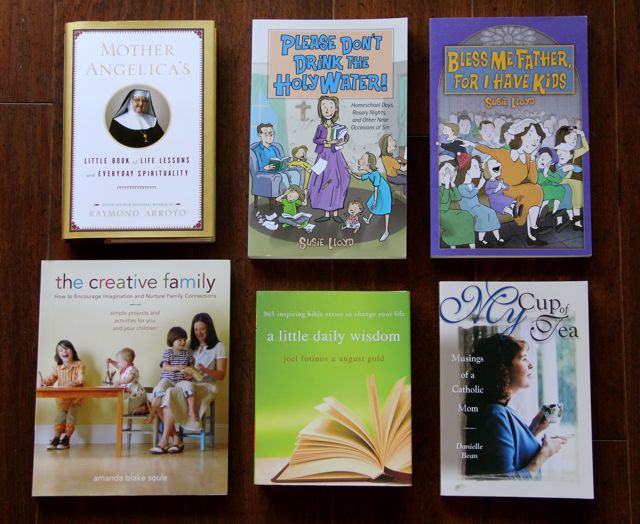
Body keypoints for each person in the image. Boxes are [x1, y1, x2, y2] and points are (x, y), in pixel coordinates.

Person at [464, 334, 566, 479]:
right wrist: (545, 454)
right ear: (502, 368)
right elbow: (505, 484)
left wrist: (534, 428)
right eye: (524, 358)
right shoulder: (496, 415)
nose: (531, 365)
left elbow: (513, 456)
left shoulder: (501, 412)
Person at [151, 313, 227, 454]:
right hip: (185, 384)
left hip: (206, 386)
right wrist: (186, 373)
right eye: (196, 329)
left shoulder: (218, 346)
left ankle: (164, 440)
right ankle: (176, 439)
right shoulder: (188, 345)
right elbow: (180, 365)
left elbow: (221, 375)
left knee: (170, 393)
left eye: (202, 329)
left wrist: (205, 370)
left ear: (209, 329)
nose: (199, 333)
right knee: (161, 394)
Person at [472, 119, 550, 246]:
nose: (534, 142)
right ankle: (531, 229)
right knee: (533, 192)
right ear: (520, 136)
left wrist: (532, 160)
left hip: (519, 189)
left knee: (536, 189)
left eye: (537, 140)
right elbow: (486, 149)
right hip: (504, 189)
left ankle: (532, 231)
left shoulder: (528, 157)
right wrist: (468, 143)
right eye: (531, 136)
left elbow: (533, 180)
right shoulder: (504, 153)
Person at [308, 96, 350, 223]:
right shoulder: (320, 127)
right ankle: (326, 213)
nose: (327, 110)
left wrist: (343, 139)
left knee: (339, 180)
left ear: (336, 108)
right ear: (320, 110)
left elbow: (345, 137)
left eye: (331, 107)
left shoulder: (339, 127)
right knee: (323, 181)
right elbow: (315, 139)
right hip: (323, 156)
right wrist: (326, 141)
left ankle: (335, 212)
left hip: (335, 156)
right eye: (324, 107)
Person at [146, 327, 198, 427]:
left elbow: (191, 366)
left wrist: (192, 372)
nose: (183, 342)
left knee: (189, 386)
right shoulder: (168, 352)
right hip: (168, 379)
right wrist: (177, 367)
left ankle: (191, 410)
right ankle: (152, 414)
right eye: (180, 340)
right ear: (172, 340)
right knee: (159, 390)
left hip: (180, 380)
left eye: (184, 340)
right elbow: (165, 366)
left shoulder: (187, 354)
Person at [38, 340, 85, 450]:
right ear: (58, 354)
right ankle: (56, 438)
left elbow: (81, 379)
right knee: (60, 417)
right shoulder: (57, 367)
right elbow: (50, 379)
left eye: (67, 348)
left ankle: (66, 439)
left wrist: (72, 383)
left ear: (72, 350)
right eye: (61, 350)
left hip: (76, 397)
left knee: (71, 416)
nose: (64, 351)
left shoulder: (79, 365)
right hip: (62, 398)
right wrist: (43, 382)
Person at [455, 154, 503, 246]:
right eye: (475, 167)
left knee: (491, 212)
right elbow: (470, 195)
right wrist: (479, 185)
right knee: (484, 215)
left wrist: (485, 164)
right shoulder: (461, 187)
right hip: (469, 209)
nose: (479, 169)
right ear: (467, 171)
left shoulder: (472, 184)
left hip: (477, 206)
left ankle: (498, 239)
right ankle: (481, 240)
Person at [350, 152, 392, 242]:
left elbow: (376, 188)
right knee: (372, 204)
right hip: (379, 190)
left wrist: (375, 201)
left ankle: (386, 231)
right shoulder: (369, 174)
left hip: (384, 191)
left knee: (385, 210)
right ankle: (368, 220)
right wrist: (351, 173)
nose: (359, 160)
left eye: (362, 159)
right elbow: (360, 178)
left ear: (368, 163)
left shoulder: (376, 174)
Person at [438, 159, 476, 249]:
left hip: (448, 211)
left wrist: (452, 184)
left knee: (466, 215)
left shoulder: (446, 187)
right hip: (440, 213)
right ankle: (453, 243)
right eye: (445, 172)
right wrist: (446, 186)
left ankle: (470, 241)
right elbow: (444, 201)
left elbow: (458, 197)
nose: (447, 175)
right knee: (455, 220)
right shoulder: (438, 188)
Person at [254, 123, 302, 189]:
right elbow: (257, 168)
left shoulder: (274, 148)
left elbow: (280, 159)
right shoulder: (257, 150)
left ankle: (296, 192)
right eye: (266, 133)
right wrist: (265, 167)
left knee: (295, 173)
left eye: (271, 133)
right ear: (260, 134)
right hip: (267, 173)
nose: (270, 135)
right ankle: (287, 194)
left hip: (279, 171)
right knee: (283, 176)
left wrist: (285, 163)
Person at [105, 347, 148, 415]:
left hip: (138, 395)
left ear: (125, 363)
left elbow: (129, 379)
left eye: (118, 362)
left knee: (132, 412)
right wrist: (111, 361)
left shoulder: (132, 369)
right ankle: (145, 407)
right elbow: (118, 366)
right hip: (133, 395)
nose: (117, 363)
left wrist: (119, 382)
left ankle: (146, 407)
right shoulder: (125, 368)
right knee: (130, 412)